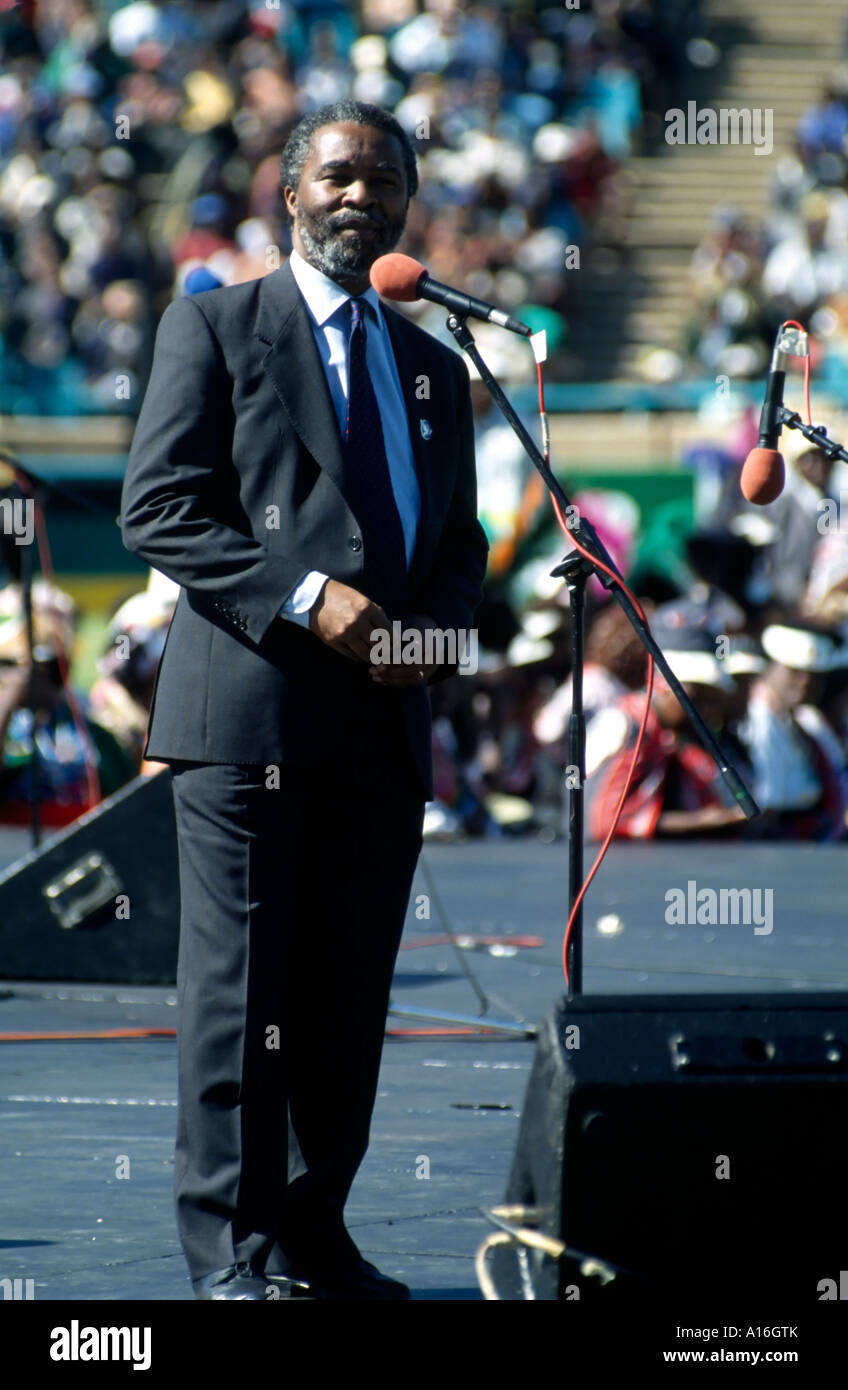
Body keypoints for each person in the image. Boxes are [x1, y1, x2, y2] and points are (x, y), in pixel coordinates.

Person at [119, 99, 488, 1300]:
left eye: (381, 180)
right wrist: (310, 598)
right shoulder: (218, 327)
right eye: (334, 176)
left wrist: (434, 630)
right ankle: (231, 1253)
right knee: (240, 1002)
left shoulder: (434, 364)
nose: (357, 196)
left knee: (341, 1008)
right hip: (247, 726)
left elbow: (460, 542)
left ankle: (311, 1235)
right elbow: (161, 509)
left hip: (379, 734)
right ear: (288, 193)